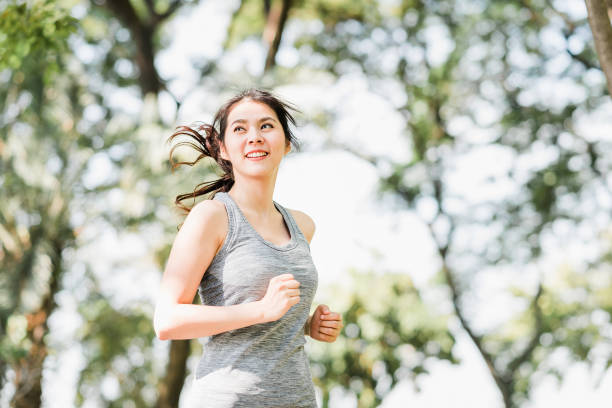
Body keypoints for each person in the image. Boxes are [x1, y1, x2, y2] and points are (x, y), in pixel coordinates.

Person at [153, 88, 344, 407]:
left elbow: (274, 316)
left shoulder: (303, 225)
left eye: (266, 126)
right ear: (223, 148)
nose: (254, 136)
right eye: (240, 128)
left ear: (286, 143)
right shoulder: (212, 217)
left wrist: (309, 324)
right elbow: (167, 320)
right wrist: (261, 310)